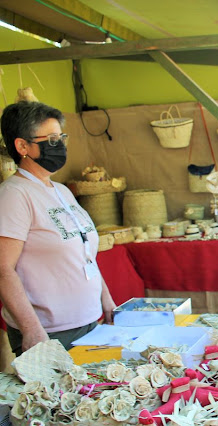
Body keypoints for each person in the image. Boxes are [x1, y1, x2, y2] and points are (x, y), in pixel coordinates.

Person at [0, 101, 116, 355]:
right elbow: (3, 269)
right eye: (52, 139)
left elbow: (84, 251)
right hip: (48, 333)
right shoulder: (14, 195)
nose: (61, 145)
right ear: (22, 146)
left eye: (62, 138)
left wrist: (104, 297)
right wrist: (31, 329)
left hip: (89, 321)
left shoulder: (61, 190)